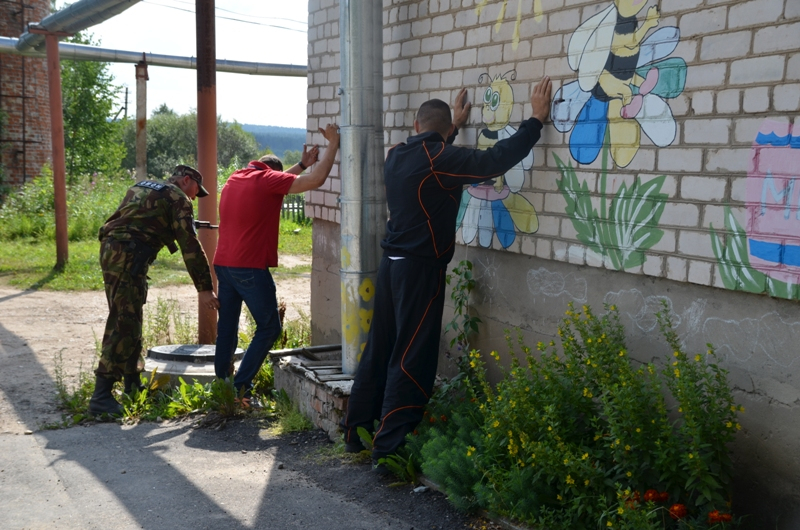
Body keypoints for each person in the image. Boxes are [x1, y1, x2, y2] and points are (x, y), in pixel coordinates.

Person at [341, 76, 553, 467]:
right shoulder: (438, 159)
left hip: (390, 268)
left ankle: (357, 433)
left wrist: (451, 127)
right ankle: (390, 449)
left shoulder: (397, 155)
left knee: (380, 349)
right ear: (440, 133)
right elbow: (492, 161)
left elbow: (434, 159)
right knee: (411, 356)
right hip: (419, 272)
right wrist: (535, 121)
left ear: (416, 126)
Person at [213, 124, 341, 400]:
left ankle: (222, 389)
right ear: (271, 173)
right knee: (270, 327)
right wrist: (333, 144)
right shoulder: (266, 181)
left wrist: (300, 164)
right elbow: (315, 180)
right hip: (249, 267)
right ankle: (240, 390)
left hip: (223, 265)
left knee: (227, 327)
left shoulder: (238, 178)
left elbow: (278, 182)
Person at [91, 165, 220, 416]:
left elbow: (138, 220)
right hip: (129, 256)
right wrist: (204, 288)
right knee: (122, 321)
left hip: (112, 251)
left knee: (130, 317)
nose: (194, 196)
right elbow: (190, 246)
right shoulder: (178, 198)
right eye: (196, 191)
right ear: (186, 180)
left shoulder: (144, 186)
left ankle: (132, 384)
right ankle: (101, 396)